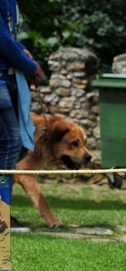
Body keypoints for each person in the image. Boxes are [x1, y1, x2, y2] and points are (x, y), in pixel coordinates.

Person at [0, 0, 43, 235]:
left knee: (13, 148)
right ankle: (1, 215)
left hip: (8, 80)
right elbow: (2, 40)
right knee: (11, 142)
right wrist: (29, 64)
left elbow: (8, 36)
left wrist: (21, 48)